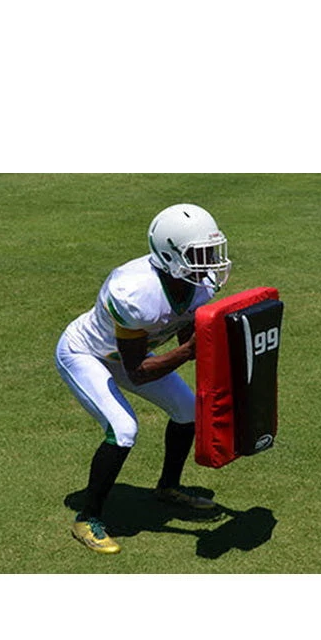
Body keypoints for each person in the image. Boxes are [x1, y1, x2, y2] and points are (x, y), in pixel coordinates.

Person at [54, 203, 232, 554]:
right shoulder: (133, 292)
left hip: (128, 353)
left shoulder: (198, 285)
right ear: (170, 255)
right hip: (86, 353)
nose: (209, 262)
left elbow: (186, 335)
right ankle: (87, 519)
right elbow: (138, 370)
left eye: (210, 251)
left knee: (188, 411)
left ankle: (168, 488)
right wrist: (189, 351)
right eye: (199, 254)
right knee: (123, 429)